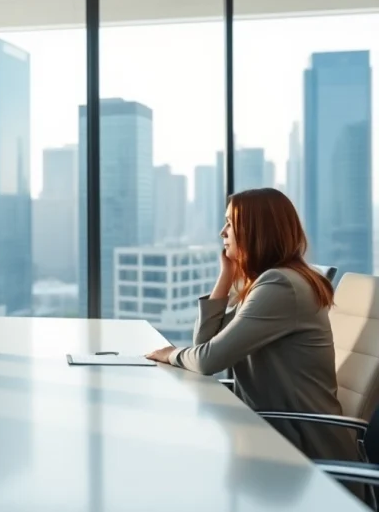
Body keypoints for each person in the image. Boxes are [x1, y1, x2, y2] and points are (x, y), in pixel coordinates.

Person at [145, 188, 359, 463]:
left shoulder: (280, 286)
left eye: (230, 223)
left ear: (256, 230)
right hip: (272, 432)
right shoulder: (264, 283)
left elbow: (208, 360)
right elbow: (204, 345)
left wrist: (169, 354)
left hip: (301, 448)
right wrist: (225, 276)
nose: (222, 232)